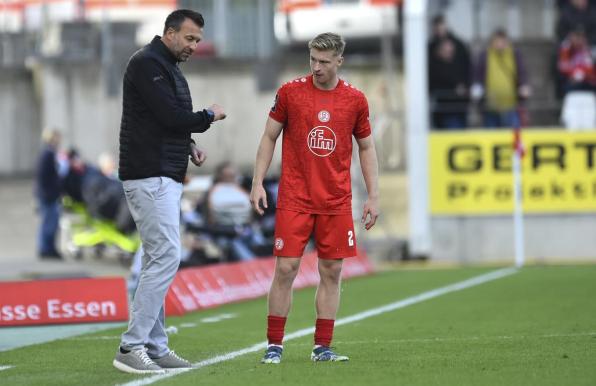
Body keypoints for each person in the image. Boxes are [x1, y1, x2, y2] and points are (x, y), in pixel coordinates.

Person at [250, 32, 380, 364]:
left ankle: (322, 346)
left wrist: (373, 196)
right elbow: (268, 136)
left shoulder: (355, 100)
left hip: (336, 200)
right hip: (296, 196)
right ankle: (274, 346)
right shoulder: (291, 92)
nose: (317, 67)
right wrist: (258, 182)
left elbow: (366, 148)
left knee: (332, 270)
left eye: (324, 61)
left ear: (339, 61)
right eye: (312, 60)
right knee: (286, 269)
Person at [112, 9, 226, 374]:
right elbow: (169, 117)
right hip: (149, 175)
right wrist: (208, 116)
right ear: (170, 33)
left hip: (163, 174)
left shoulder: (167, 68)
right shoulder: (147, 64)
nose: (194, 46)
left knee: (155, 259)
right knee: (166, 257)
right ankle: (131, 346)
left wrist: (189, 144)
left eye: (198, 40)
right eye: (190, 39)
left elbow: (165, 120)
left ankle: (156, 347)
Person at [471, 28, 531, 128]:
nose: (499, 44)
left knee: (512, 137)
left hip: (511, 106)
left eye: (502, 41)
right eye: (496, 41)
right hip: (490, 107)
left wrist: (524, 86)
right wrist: (477, 87)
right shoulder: (485, 55)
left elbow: (522, 72)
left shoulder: (514, 54)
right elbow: (478, 75)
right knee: (491, 137)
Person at [34, 128, 63, 259]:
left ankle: (48, 248)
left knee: (51, 222)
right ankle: (46, 249)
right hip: (48, 196)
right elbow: (43, 176)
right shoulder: (48, 154)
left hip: (49, 195)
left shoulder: (50, 153)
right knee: (49, 222)